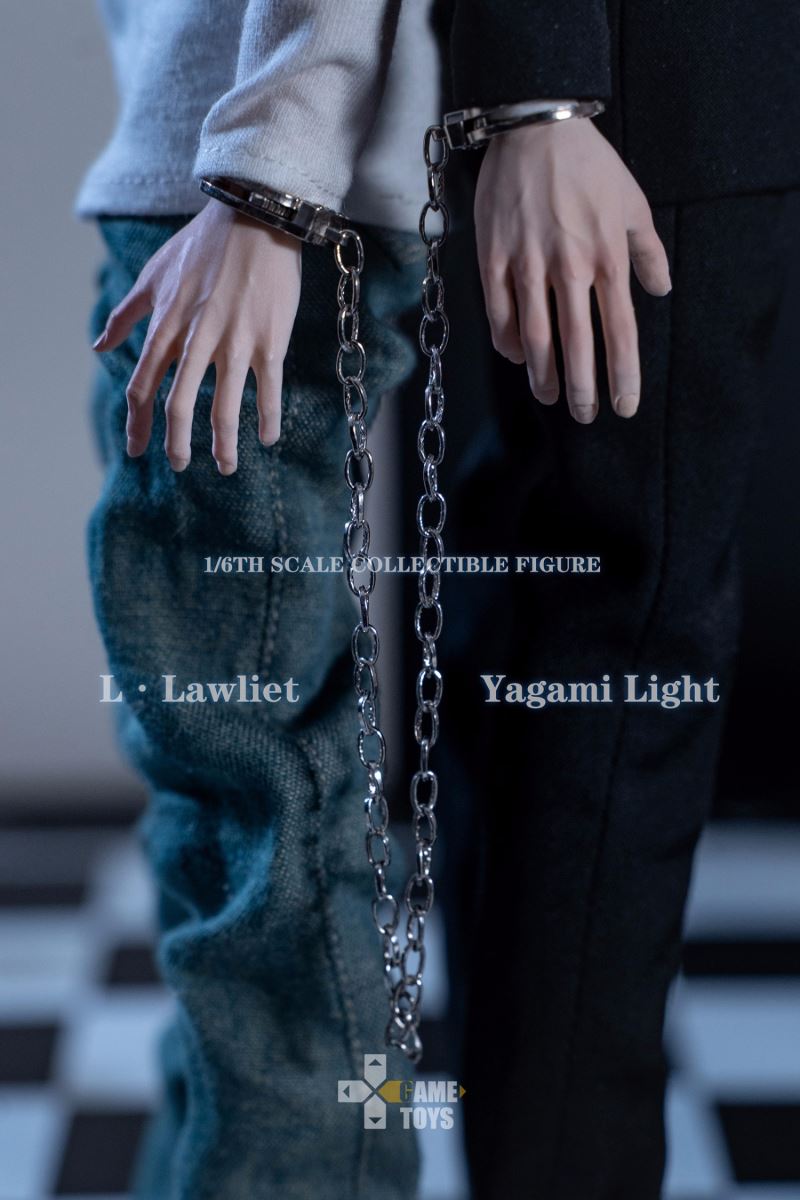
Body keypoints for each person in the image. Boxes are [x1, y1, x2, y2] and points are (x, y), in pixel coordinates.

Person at [79, 0, 800, 1197]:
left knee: (264, 801)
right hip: (238, 145)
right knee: (240, 797)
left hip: (277, 165)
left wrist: (272, 172)